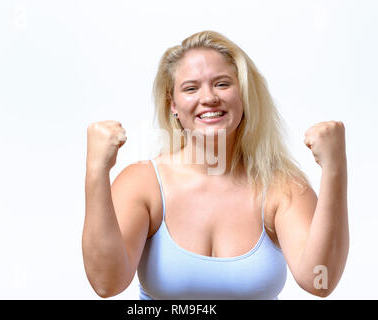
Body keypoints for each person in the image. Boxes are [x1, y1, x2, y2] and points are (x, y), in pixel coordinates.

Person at [82, 30, 349, 300]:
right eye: (191, 88)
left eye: (222, 84)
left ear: (244, 95)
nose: (209, 98)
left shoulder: (283, 188)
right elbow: (107, 284)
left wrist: (335, 170)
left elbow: (320, 281)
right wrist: (96, 172)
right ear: (173, 104)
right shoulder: (142, 183)